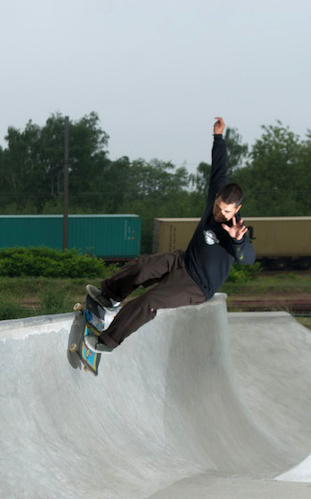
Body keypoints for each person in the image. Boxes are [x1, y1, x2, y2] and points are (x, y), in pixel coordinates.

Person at [86, 117, 256, 352]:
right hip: (182, 260)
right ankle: (110, 296)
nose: (219, 213)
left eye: (226, 211)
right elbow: (219, 169)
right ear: (216, 198)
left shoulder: (237, 230)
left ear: (237, 209)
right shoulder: (215, 200)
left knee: (149, 301)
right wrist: (218, 137)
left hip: (197, 285)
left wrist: (237, 241)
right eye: (217, 207)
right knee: (142, 266)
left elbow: (248, 257)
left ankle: (108, 341)